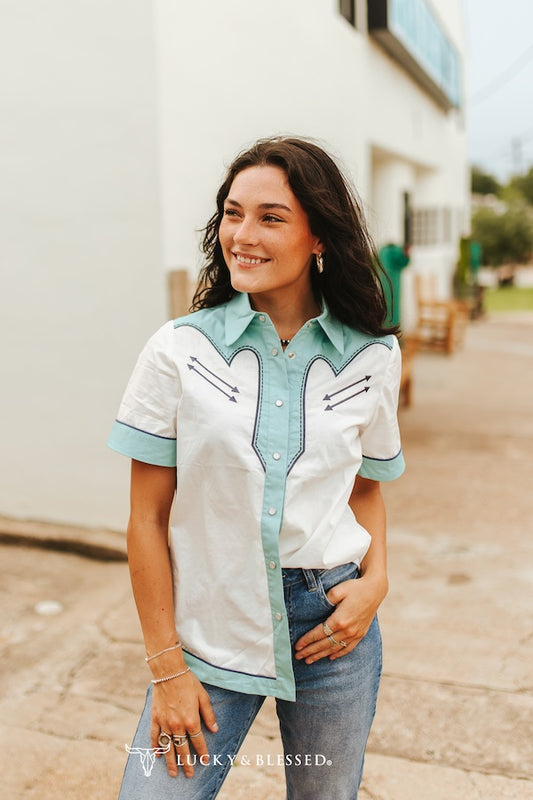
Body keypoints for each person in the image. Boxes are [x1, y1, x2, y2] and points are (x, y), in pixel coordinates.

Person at [108, 136, 405, 800]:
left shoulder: (373, 356)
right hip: (209, 627)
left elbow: (363, 488)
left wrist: (375, 582)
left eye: (270, 217)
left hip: (333, 624)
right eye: (232, 213)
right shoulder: (177, 350)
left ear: (319, 236)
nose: (241, 234)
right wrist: (166, 669)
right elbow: (145, 519)